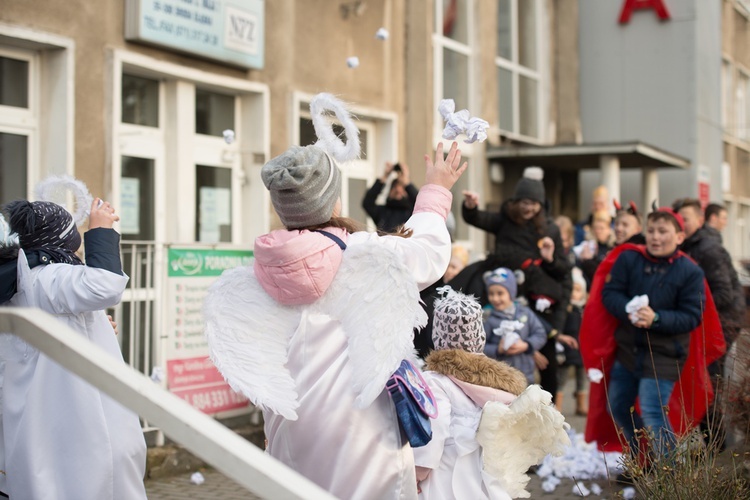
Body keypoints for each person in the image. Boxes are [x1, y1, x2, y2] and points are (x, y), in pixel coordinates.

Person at [204, 94, 468, 499]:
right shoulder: (363, 255)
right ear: (334, 200)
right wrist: (435, 188)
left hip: (293, 430)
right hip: (363, 436)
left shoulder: (258, 274)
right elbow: (428, 253)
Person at [0, 199, 147, 499]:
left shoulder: (22, 280)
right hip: (74, 408)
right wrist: (101, 231)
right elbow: (104, 286)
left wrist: (97, 326)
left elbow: (57, 318)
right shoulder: (49, 275)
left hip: (37, 411)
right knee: (95, 475)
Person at [580, 207, 725, 462]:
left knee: (652, 411)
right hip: (628, 352)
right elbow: (609, 294)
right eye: (651, 231)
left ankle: (667, 478)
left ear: (679, 237)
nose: (655, 237)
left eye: (663, 232)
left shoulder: (690, 271)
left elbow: (692, 316)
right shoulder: (629, 260)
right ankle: (642, 462)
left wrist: (656, 318)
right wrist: (627, 308)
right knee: (618, 407)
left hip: (665, 356)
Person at [414, 288, 569, 499]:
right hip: (482, 468)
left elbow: (436, 427)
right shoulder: (495, 382)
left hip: (446, 469)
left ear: (438, 335)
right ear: (479, 336)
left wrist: (419, 470)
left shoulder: (436, 381)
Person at [460, 166, 572, 403]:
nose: (528, 207)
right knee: (504, 355)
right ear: (516, 200)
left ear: (541, 203)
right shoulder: (505, 219)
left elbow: (562, 269)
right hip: (505, 296)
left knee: (546, 359)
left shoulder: (550, 228)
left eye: (534, 203)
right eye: (524, 201)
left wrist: (550, 258)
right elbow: (478, 218)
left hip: (536, 298)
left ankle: (548, 408)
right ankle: (504, 403)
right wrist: (470, 207)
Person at [673, 198, 745, 343]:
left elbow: (724, 294)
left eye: (685, 219)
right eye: (678, 220)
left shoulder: (708, 249)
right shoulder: (684, 245)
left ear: (700, 221)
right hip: (705, 318)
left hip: (723, 321)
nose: (681, 224)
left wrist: (690, 305)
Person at [482, 267, 548, 386]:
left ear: (511, 293)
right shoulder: (487, 318)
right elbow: (480, 346)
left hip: (526, 375)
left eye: (500, 293)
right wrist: (497, 349)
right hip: (500, 378)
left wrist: (527, 345)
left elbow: (540, 333)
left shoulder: (525, 313)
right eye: (491, 294)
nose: (495, 298)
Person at [556, 269, 587, 415]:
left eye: (578, 290)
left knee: (582, 377)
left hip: (582, 349)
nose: (575, 293)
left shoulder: (584, 310)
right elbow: (560, 328)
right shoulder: (564, 310)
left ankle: (581, 405)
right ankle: (557, 406)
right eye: (572, 289)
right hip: (566, 348)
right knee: (562, 377)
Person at [363, 161, 419, 233]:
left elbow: (421, 202)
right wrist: (384, 176)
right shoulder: (382, 211)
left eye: (402, 188)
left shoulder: (412, 212)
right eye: (395, 188)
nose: (398, 191)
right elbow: (368, 202)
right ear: (390, 191)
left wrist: (407, 182)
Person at [574, 209, 615, 288]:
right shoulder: (587, 245)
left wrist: (588, 261)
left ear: (609, 229)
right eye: (596, 228)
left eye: (601, 228)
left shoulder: (613, 248)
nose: (598, 231)